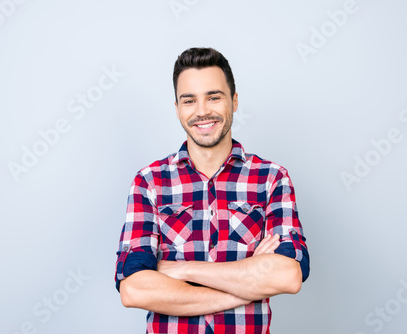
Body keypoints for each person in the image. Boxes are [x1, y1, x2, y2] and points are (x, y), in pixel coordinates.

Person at [114, 47, 310, 334]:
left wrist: (181, 269)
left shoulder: (271, 179)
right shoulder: (149, 182)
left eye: (214, 97)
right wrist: (246, 283)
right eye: (189, 100)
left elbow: (288, 275)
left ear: (234, 101)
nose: (202, 111)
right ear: (178, 108)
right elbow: (134, 290)